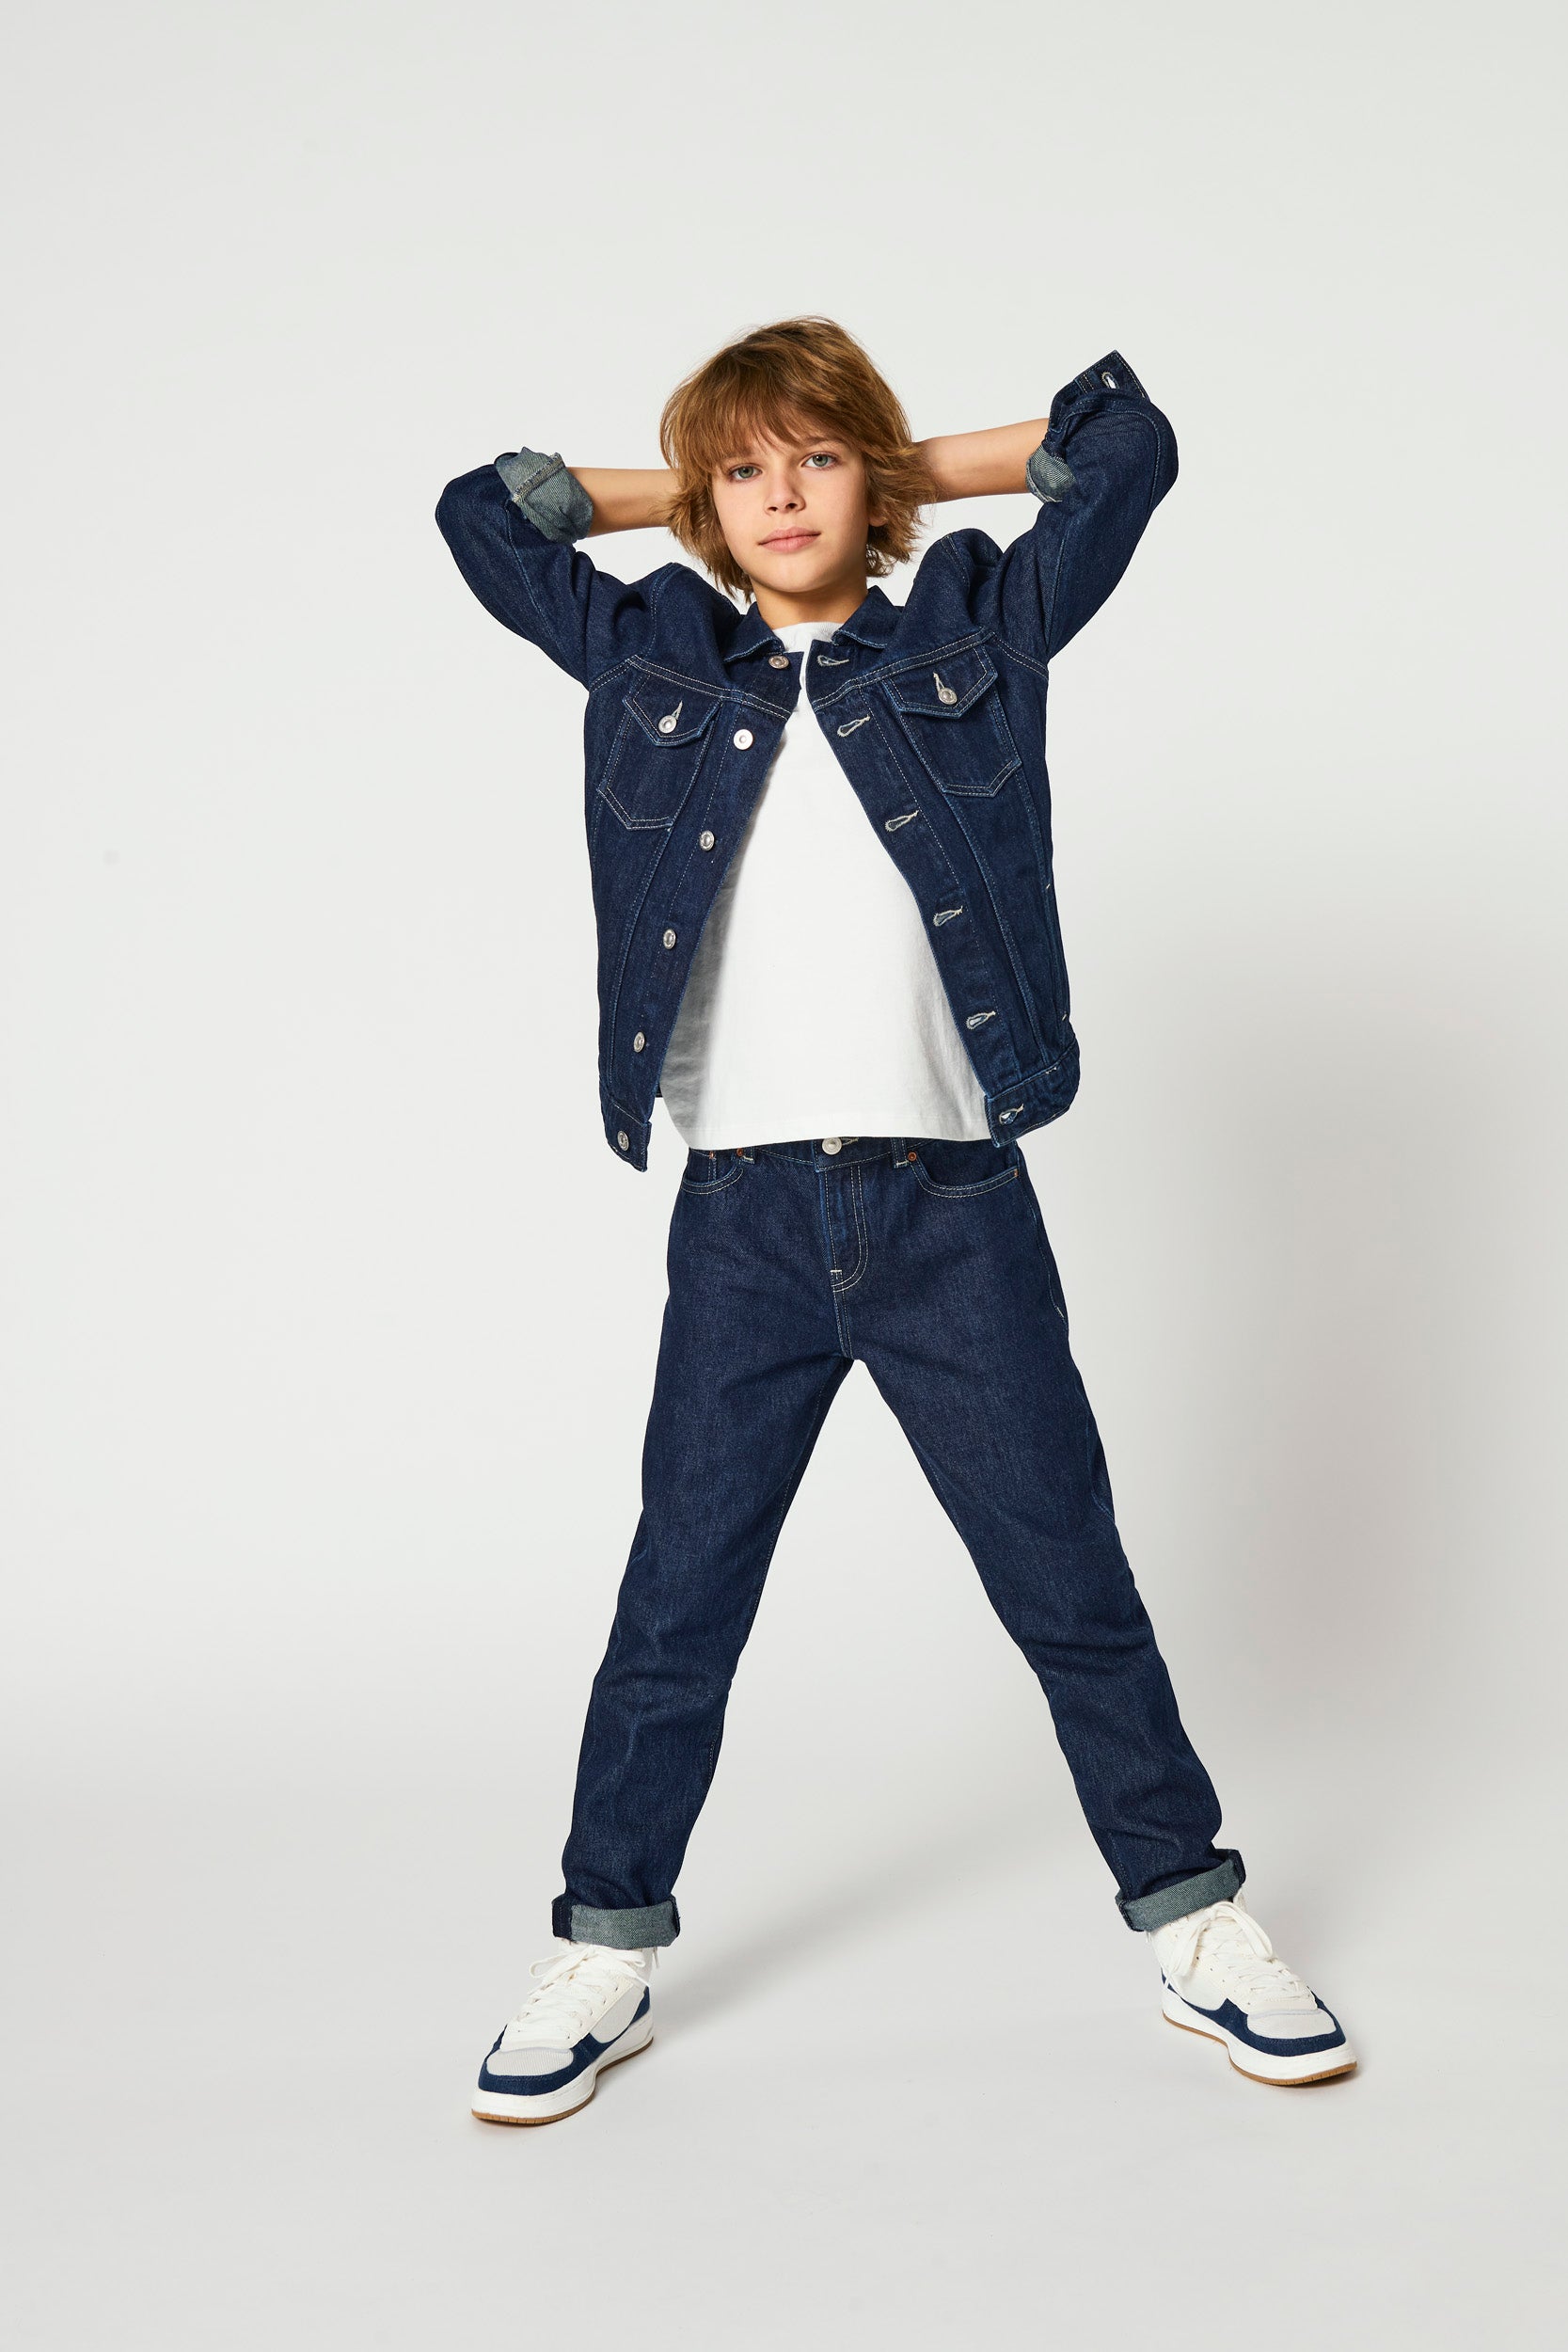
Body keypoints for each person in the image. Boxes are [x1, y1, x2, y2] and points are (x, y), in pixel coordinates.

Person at [435, 318, 1354, 2123]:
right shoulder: (650, 656)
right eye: (746, 471)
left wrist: (890, 470)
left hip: (951, 1208)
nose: (781, 497)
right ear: (704, 502)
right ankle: (605, 1943)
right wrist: (704, 490)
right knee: (679, 1603)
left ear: (875, 477)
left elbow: (1129, 446)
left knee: (1069, 1584)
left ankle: (1194, 1917)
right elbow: (483, 514)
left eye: (816, 461)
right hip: (746, 1220)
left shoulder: (971, 640)